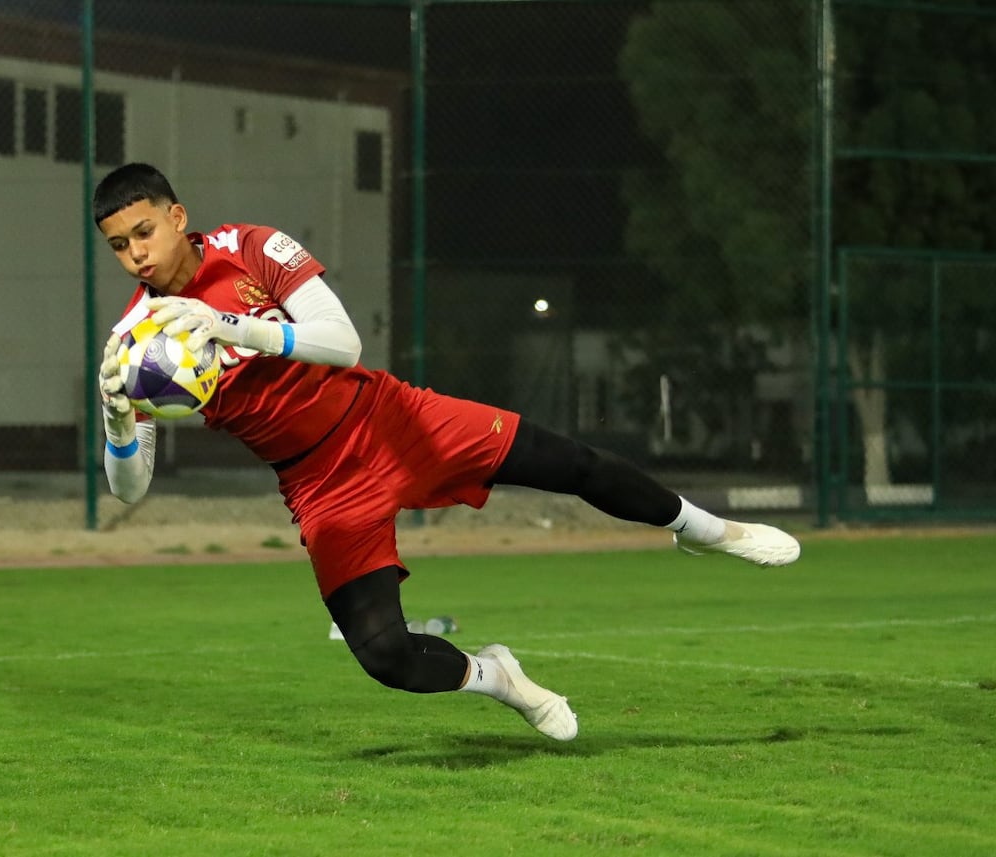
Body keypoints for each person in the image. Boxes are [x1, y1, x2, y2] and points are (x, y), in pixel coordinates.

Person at [93, 162, 800, 742]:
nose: (137, 254)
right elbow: (128, 488)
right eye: (120, 245)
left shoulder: (253, 248)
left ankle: (708, 530)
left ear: (177, 216)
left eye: (144, 231)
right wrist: (118, 417)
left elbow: (344, 343)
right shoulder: (138, 342)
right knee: (385, 656)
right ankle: (503, 679)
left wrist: (233, 326)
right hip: (319, 480)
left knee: (571, 463)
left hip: (391, 417)